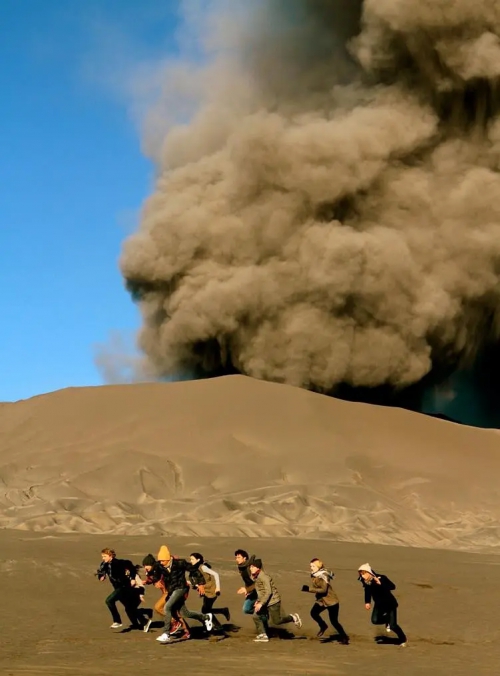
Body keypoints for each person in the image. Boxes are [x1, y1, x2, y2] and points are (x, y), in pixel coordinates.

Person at [155, 545, 213, 644]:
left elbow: (194, 570)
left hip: (181, 588)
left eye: (162, 561)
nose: (161, 563)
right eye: (159, 561)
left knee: (167, 607)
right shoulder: (160, 566)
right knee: (185, 613)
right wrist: (156, 581)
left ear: (168, 559)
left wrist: (201, 584)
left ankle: (166, 633)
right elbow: (155, 572)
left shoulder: (179, 563)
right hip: (172, 590)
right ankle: (206, 617)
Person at [250, 558, 302, 643]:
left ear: (258, 568)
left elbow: (268, 592)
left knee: (277, 621)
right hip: (265, 601)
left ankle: (293, 617)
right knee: (256, 616)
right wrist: (258, 601)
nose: (251, 568)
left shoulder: (264, 577)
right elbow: (261, 591)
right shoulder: (256, 577)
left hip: (273, 601)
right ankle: (263, 635)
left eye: (253, 567)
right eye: (250, 567)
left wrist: (261, 603)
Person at [358, 563, 407, 647]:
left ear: (369, 572)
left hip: (390, 604)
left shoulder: (382, 578)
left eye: (363, 573)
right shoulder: (367, 582)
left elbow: (393, 587)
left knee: (393, 625)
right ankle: (387, 619)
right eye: (361, 574)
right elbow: (367, 591)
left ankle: (403, 639)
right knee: (375, 620)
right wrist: (367, 602)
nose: (362, 576)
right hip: (379, 604)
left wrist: (381, 584)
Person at [301, 558, 349, 643]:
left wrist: (309, 589)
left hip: (331, 601)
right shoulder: (315, 574)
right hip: (321, 601)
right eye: (310, 566)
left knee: (334, 621)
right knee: (313, 613)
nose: (311, 568)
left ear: (318, 566)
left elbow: (323, 590)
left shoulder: (323, 576)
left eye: (313, 566)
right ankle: (323, 625)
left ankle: (344, 637)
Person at [96, 548, 145, 630]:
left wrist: (133, 578)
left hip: (124, 587)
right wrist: (101, 576)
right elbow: (101, 572)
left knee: (109, 601)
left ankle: (117, 621)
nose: (103, 558)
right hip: (117, 588)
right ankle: (143, 622)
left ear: (110, 556)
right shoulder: (104, 564)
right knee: (129, 607)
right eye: (102, 556)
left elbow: (131, 567)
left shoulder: (119, 563)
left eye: (104, 556)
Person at [143, 553, 187, 636]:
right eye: (144, 565)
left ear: (152, 564)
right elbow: (151, 579)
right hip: (166, 592)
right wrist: (146, 582)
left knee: (158, 607)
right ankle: (186, 630)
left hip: (171, 591)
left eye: (147, 565)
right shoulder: (150, 572)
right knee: (176, 612)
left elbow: (167, 576)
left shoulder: (160, 569)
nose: (145, 567)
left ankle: (175, 622)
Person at [189, 553, 230, 623]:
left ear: (198, 560)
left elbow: (216, 574)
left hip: (212, 591)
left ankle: (221, 616)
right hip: (205, 591)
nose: (190, 561)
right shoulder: (195, 569)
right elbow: (198, 583)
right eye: (190, 559)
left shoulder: (202, 567)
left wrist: (218, 588)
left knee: (205, 610)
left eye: (192, 559)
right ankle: (221, 616)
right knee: (206, 610)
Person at [235, 549, 257, 615]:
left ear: (244, 558)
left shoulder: (251, 567)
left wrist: (246, 589)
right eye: (236, 557)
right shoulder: (241, 567)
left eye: (239, 557)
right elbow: (246, 580)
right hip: (251, 590)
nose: (236, 559)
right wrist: (247, 590)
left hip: (260, 590)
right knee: (246, 610)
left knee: (249, 610)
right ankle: (262, 612)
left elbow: (258, 582)